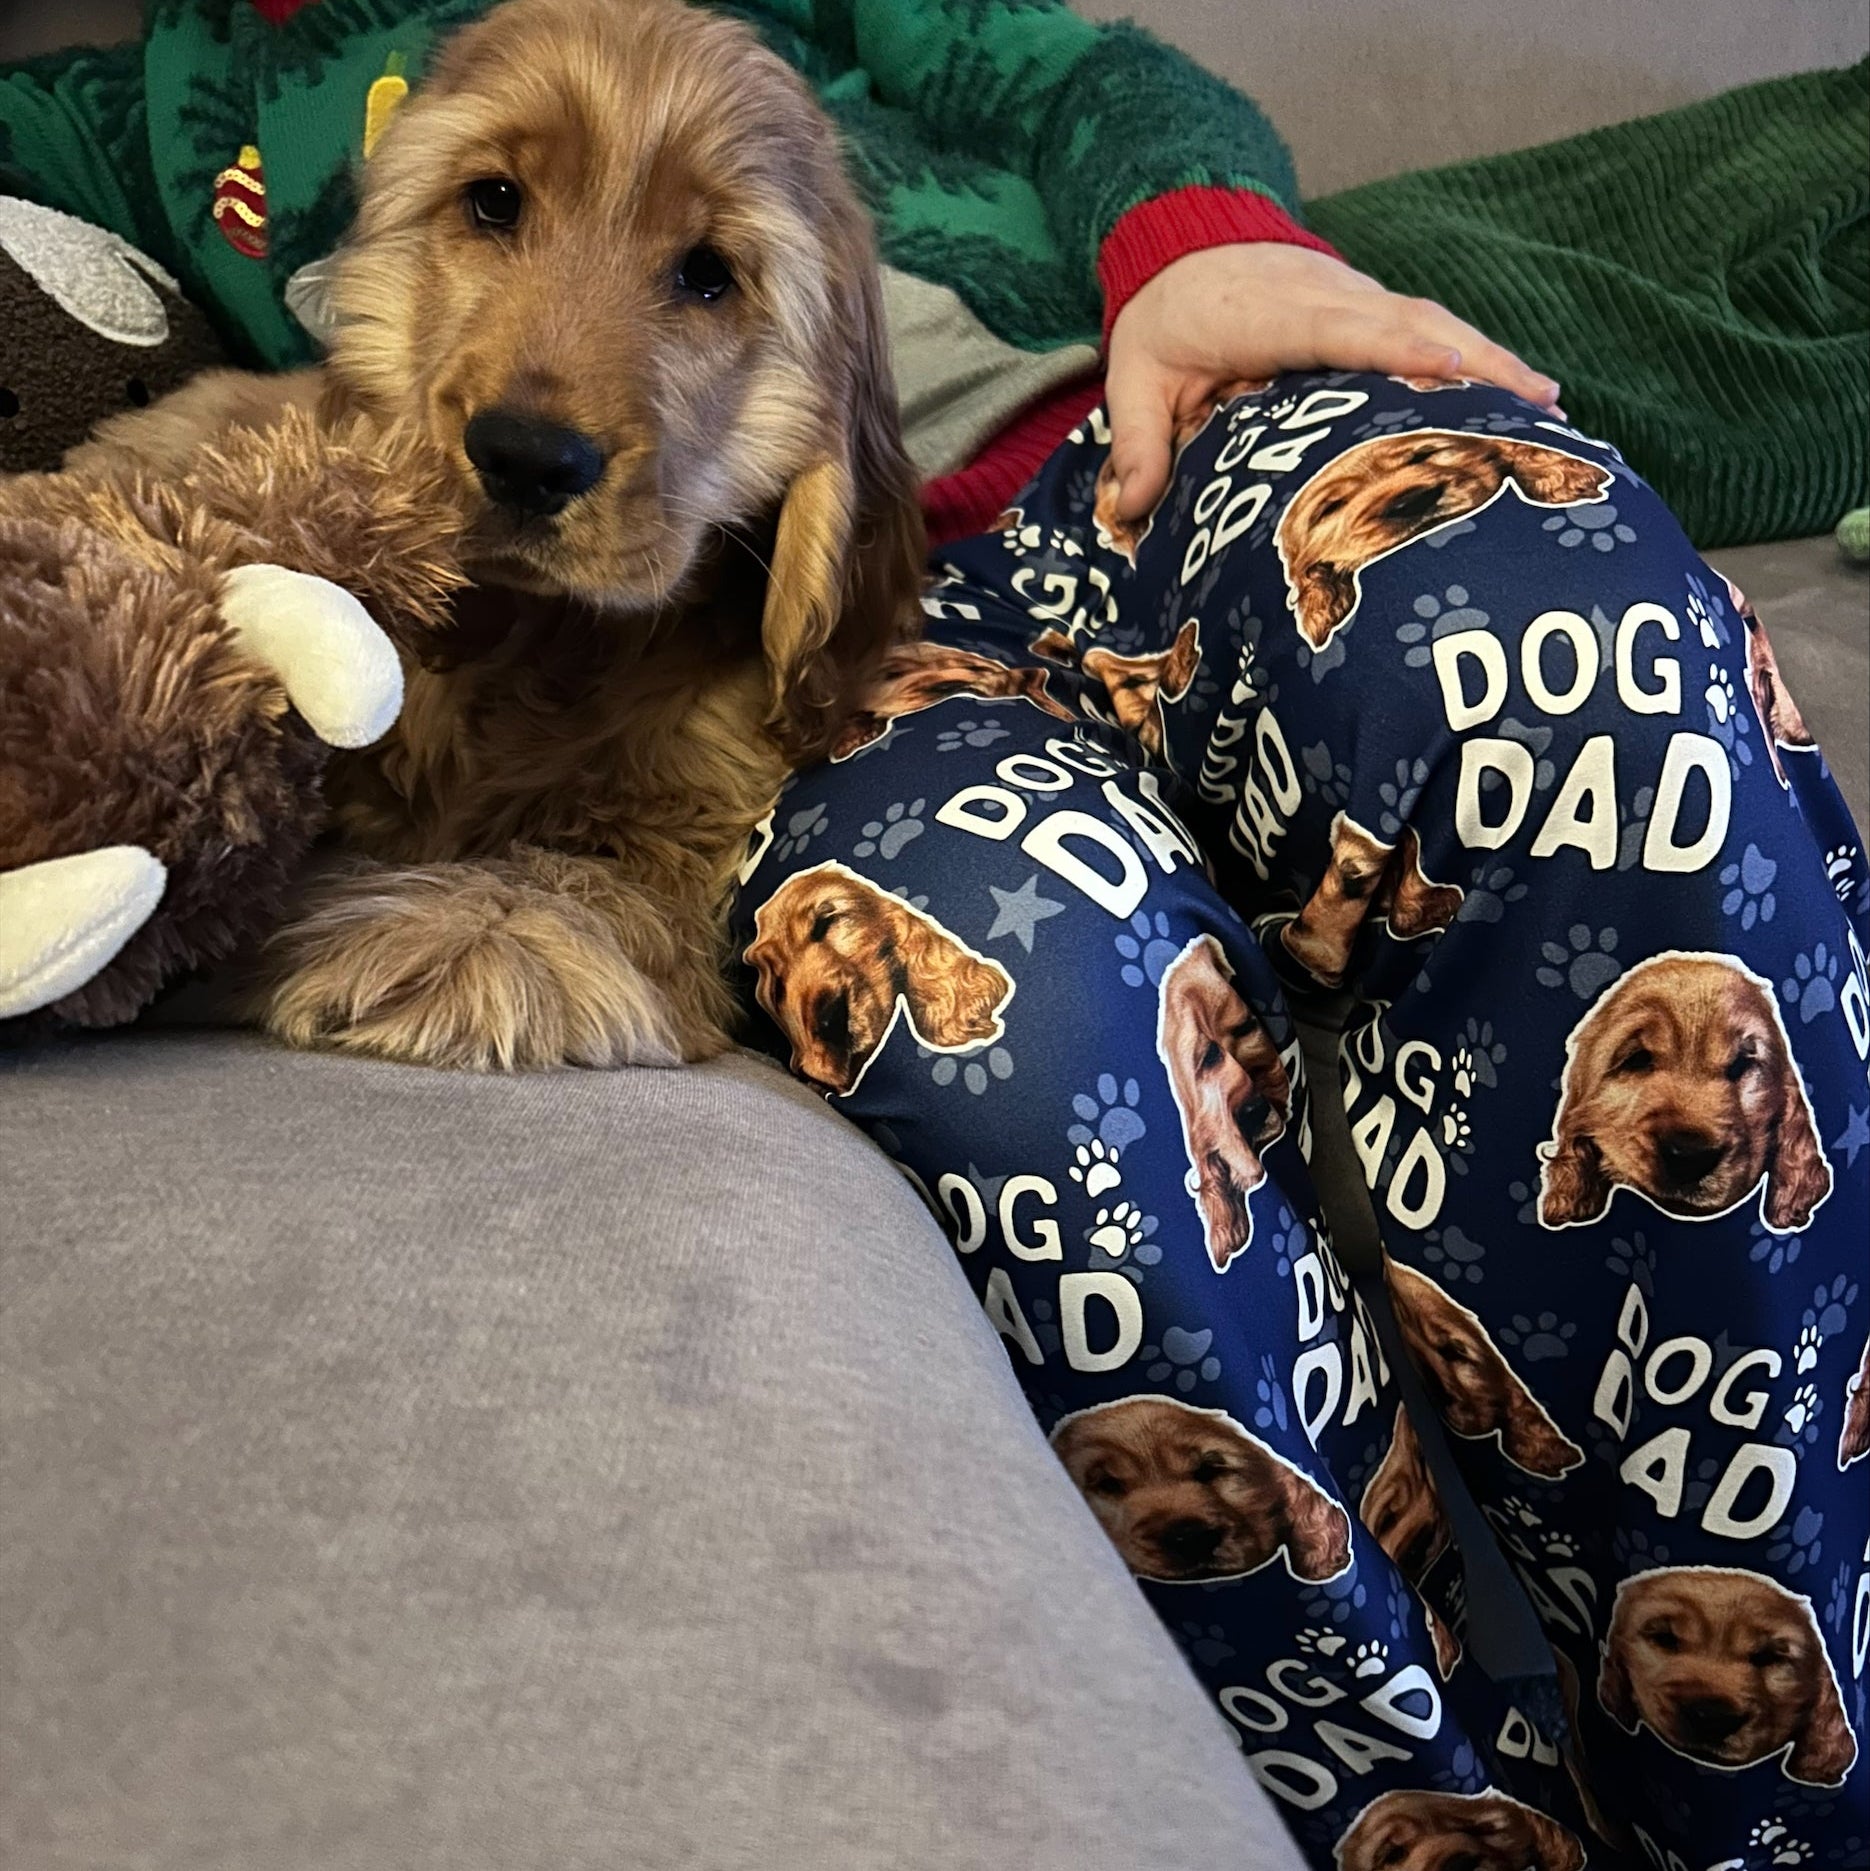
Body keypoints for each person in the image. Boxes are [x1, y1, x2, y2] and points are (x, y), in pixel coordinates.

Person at [5, 4, 1865, 1864]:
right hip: (862, 665)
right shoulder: (171, 95)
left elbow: (1089, 80)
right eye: (487, 203)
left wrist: (1193, 240)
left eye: (711, 269)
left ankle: (1783, 1826)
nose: (560, 313)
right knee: (1020, 1035)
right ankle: (1455, 1835)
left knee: (1567, 683)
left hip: (1167, 446)